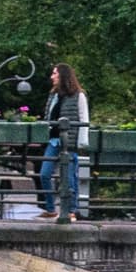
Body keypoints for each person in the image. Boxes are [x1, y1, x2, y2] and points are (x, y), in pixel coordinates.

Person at [40, 63, 89, 221]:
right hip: (54, 140)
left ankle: (71, 210)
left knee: (69, 178)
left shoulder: (79, 95)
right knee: (45, 174)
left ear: (63, 76)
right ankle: (50, 208)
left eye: (54, 73)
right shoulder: (53, 95)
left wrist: (81, 143)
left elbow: (84, 119)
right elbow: (49, 118)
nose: (52, 76)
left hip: (69, 142)